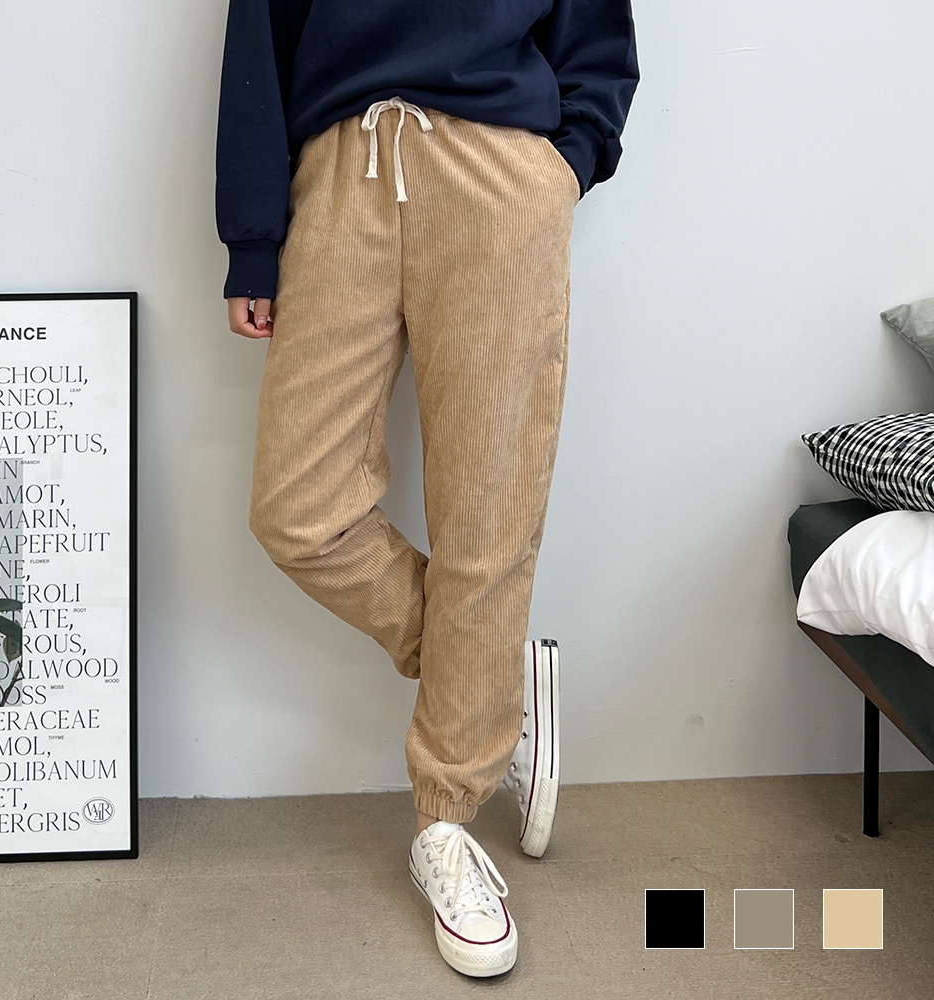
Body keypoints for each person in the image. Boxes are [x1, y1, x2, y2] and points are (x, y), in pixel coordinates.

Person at [216, 0, 638, 977]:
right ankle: (489, 675)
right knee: (298, 511)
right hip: (341, 171)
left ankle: (446, 820)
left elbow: (599, 43)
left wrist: (562, 167)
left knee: (489, 511)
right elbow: (257, 42)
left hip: (499, 174)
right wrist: (253, 236)